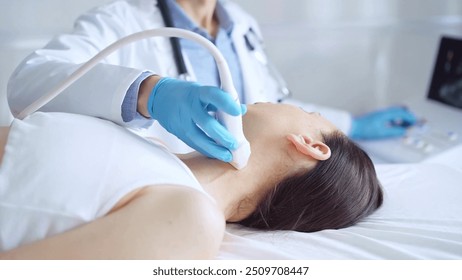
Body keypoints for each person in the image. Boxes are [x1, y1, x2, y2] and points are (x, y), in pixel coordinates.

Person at [7, 0, 417, 163]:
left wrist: (351, 123)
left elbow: (268, 104)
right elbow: (30, 84)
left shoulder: (242, 25)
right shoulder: (121, 20)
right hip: (168, 182)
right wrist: (151, 92)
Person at [0, 102, 383, 259]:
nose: (286, 103)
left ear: (311, 146)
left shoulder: (192, 217)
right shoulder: (151, 144)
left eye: (308, 112)